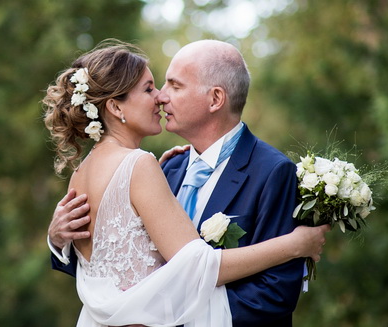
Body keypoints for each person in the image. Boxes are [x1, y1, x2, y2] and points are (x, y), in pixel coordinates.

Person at [43, 40, 327, 326]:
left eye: (173, 86)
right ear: (116, 107)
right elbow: (126, 268)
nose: (161, 97)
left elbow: (274, 296)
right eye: (151, 88)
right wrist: (295, 244)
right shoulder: (154, 168)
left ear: (215, 99)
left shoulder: (272, 172)